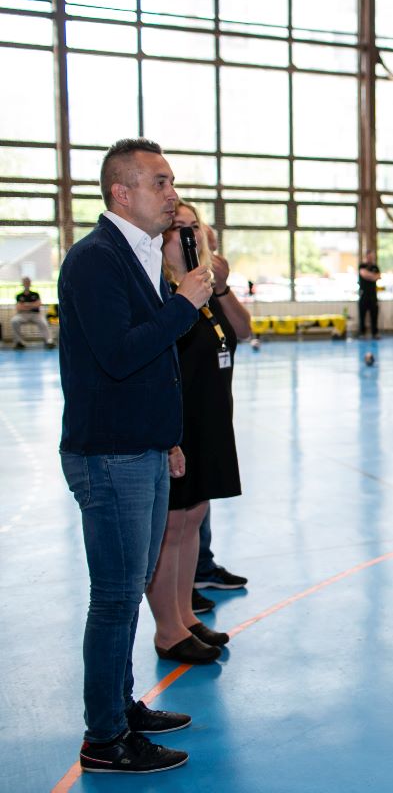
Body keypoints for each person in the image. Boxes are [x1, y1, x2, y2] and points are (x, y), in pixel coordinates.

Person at [59, 138, 214, 774]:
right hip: (110, 455)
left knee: (126, 590)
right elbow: (120, 355)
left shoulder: (139, 254)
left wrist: (166, 435)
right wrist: (185, 304)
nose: (171, 195)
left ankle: (119, 708)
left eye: (171, 182)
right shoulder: (96, 260)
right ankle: (104, 738)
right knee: (116, 597)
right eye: (159, 183)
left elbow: (149, 363)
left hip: (141, 447)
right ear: (122, 193)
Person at [145, 199, 251, 667]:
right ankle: (167, 629)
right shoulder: (158, 288)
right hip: (178, 423)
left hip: (211, 419)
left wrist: (221, 287)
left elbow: (241, 332)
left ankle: (185, 615)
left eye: (195, 226)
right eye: (179, 227)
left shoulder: (204, 288)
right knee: (170, 525)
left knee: (193, 519)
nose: (189, 234)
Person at [192, 222, 251, 610]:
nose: (212, 255)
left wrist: (223, 287)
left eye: (214, 247)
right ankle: (179, 590)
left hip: (214, 411)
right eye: (203, 245)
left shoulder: (212, 292)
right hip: (185, 414)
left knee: (199, 501)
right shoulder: (175, 291)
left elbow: (244, 330)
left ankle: (201, 566)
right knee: (180, 510)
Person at [10, 276, 55, 349]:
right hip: (22, 314)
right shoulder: (19, 295)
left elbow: (38, 305)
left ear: (30, 283)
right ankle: (19, 342)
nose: (26, 284)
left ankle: (49, 341)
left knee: (43, 322)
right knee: (14, 321)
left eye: (28, 282)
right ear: (23, 284)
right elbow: (18, 307)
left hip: (35, 314)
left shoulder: (35, 294)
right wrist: (32, 305)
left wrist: (25, 305)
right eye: (25, 282)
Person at [356, 251, 380, 339]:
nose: (370, 258)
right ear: (365, 257)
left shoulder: (375, 267)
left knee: (374, 315)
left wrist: (369, 275)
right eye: (368, 256)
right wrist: (372, 276)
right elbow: (364, 274)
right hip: (363, 295)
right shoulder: (362, 266)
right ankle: (362, 333)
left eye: (371, 257)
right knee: (362, 315)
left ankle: (375, 333)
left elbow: (377, 276)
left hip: (373, 296)